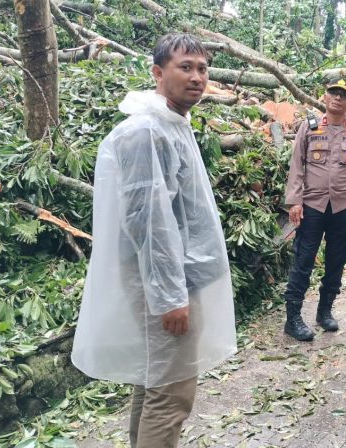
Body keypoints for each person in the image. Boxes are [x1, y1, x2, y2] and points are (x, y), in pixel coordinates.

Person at [71, 34, 237, 448]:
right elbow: (148, 220)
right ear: (158, 73)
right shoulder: (146, 132)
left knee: (155, 382)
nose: (197, 77)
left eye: (202, 68)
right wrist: (169, 296)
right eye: (186, 67)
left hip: (174, 277)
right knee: (172, 392)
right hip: (162, 283)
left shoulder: (169, 124)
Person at [283, 77, 346, 341]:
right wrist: (295, 201)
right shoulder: (308, 128)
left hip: (344, 205)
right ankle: (293, 318)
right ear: (324, 96)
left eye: (343, 94)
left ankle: (325, 312)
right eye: (333, 92)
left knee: (337, 260)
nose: (337, 98)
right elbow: (297, 165)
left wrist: (338, 180)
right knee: (304, 259)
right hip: (312, 205)